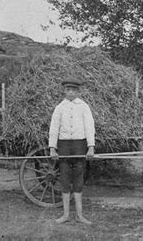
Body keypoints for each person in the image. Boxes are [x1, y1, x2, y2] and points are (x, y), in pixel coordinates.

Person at [49, 77, 95, 224]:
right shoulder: (59, 108)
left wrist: (91, 146)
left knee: (78, 178)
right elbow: (54, 128)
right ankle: (66, 215)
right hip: (64, 146)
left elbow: (89, 126)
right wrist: (52, 148)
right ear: (64, 91)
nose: (70, 92)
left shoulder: (84, 106)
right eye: (68, 90)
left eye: (73, 90)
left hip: (79, 145)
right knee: (65, 178)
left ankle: (80, 215)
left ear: (78, 91)